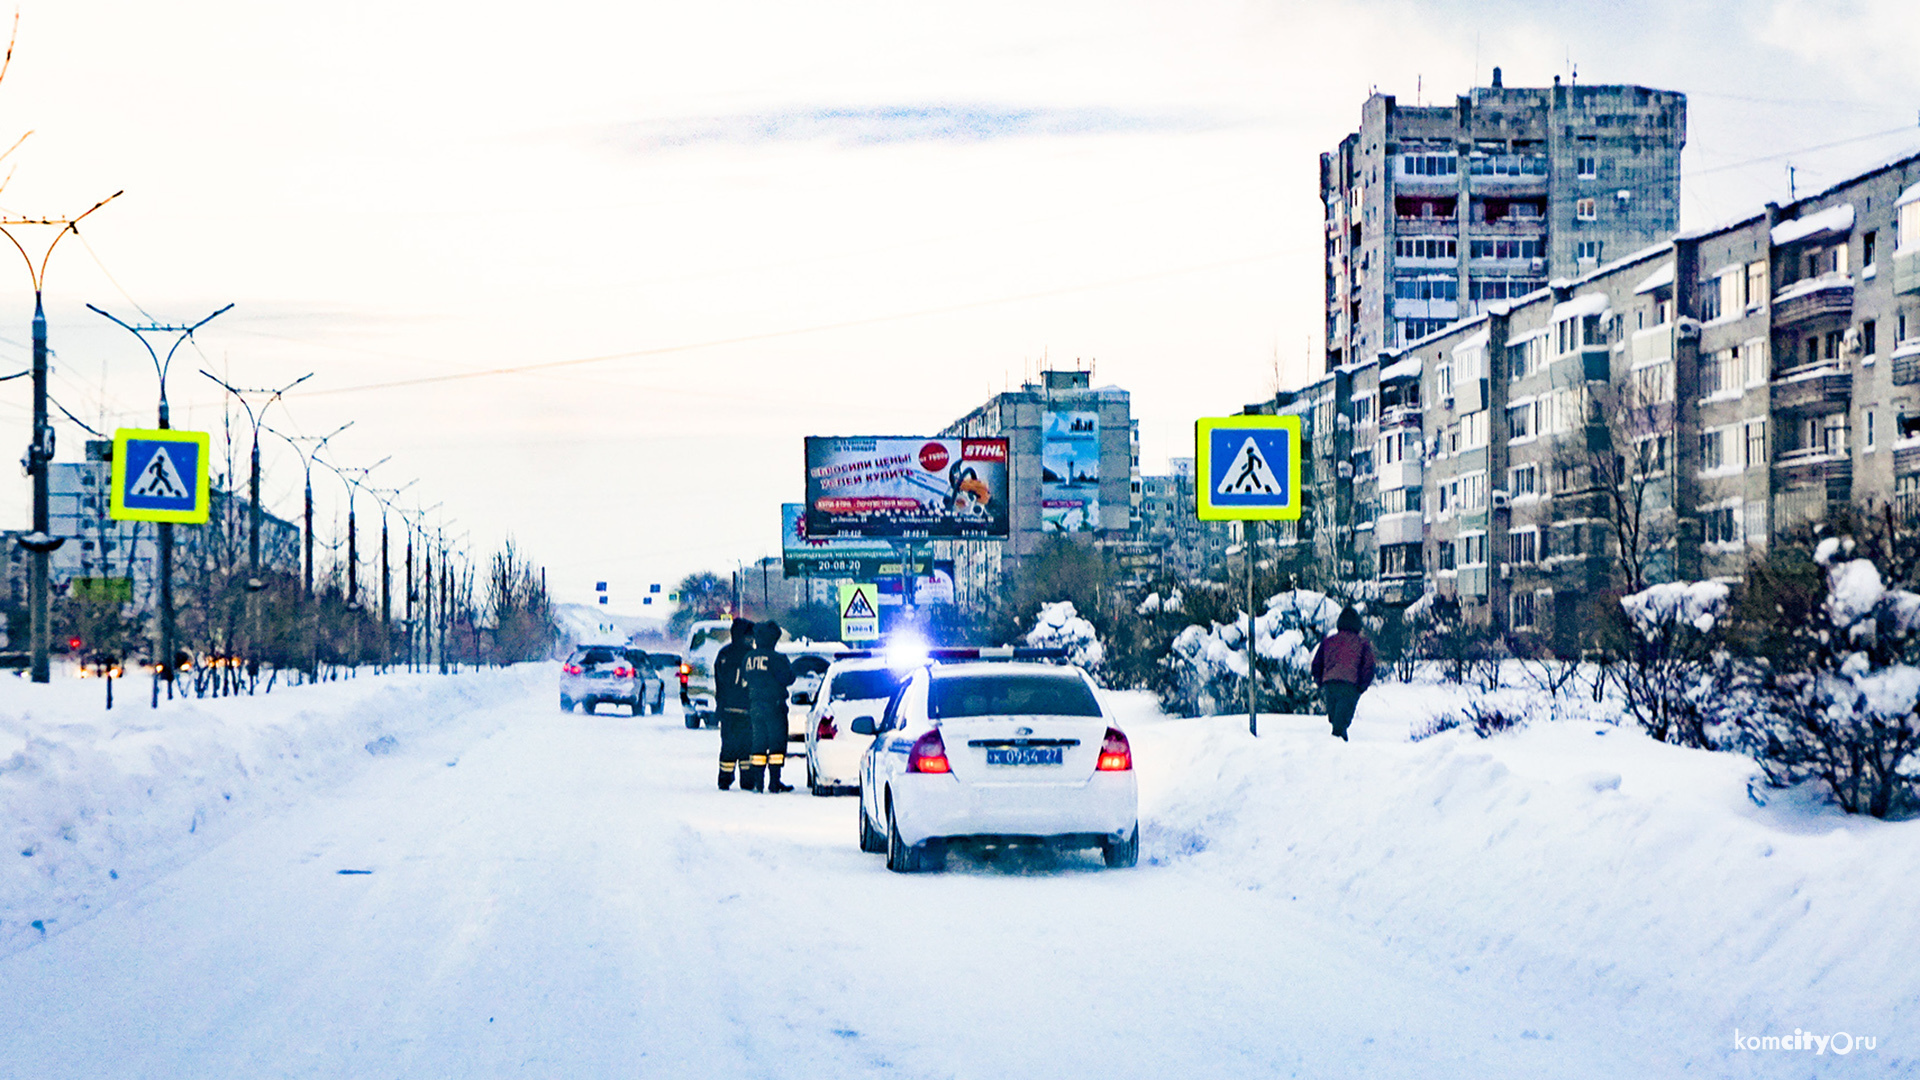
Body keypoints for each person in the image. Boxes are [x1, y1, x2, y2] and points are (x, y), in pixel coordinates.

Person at [742, 620, 796, 792]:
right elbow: (788, 678)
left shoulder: (748, 658)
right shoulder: (777, 658)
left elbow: (745, 677)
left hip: (755, 706)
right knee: (776, 744)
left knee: (758, 743)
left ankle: (759, 782)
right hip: (775, 707)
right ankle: (774, 781)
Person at [1310, 607, 1376, 741]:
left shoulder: (1329, 641)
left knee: (1336, 721)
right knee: (1340, 725)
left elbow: (1317, 663)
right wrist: (1361, 687)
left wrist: (1320, 681)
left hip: (1330, 684)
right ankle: (1338, 753)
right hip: (1350, 685)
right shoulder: (1362, 643)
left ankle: (1337, 752)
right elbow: (1368, 667)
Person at [713, 618, 754, 790]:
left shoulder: (724, 654)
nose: (752, 639)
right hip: (746, 709)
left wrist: (720, 706)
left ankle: (724, 778)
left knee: (728, 745)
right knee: (746, 746)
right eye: (750, 636)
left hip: (727, 709)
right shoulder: (751, 655)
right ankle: (747, 780)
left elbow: (719, 682)